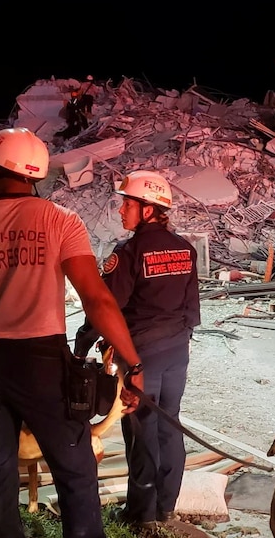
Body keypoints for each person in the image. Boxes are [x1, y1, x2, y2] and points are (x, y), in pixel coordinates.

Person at [0, 127, 145, 538]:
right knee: (75, 470)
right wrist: (132, 363)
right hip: (43, 366)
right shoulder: (59, 220)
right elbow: (97, 300)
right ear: (33, 176)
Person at [74, 170, 201, 529]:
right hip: (177, 352)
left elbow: (105, 307)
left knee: (141, 429)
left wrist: (82, 343)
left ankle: (141, 516)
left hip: (139, 356)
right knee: (169, 425)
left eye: (127, 204)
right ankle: (166, 508)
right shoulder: (185, 250)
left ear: (147, 210)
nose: (121, 211)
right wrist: (177, 344)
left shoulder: (129, 252)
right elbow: (192, 310)